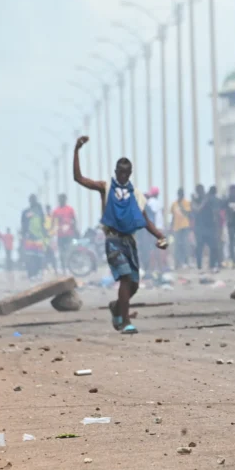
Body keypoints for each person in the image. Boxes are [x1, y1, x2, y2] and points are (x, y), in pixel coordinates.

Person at [72, 135, 167, 334]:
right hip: (113, 240)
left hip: (129, 242)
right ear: (116, 172)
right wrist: (76, 151)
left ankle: (117, 307)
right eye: (120, 172)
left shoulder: (136, 195)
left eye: (126, 173)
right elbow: (79, 179)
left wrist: (159, 235)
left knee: (133, 285)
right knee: (125, 278)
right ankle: (125, 322)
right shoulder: (105, 188)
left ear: (130, 173)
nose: (123, 175)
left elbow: (145, 220)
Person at [192, 185, 222, 272]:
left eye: (201, 190)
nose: (200, 192)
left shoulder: (209, 199)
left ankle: (212, 265)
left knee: (213, 247)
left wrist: (216, 226)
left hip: (209, 227)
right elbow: (196, 210)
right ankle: (199, 266)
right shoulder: (196, 200)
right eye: (198, 190)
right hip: (199, 228)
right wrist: (203, 202)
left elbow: (215, 211)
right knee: (199, 248)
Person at [20, 195, 47, 279]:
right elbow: (23, 224)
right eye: (31, 200)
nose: (33, 201)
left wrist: (45, 234)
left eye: (34, 200)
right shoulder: (26, 212)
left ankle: (38, 273)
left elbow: (43, 223)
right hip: (29, 238)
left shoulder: (40, 211)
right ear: (29, 201)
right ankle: (31, 274)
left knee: (39, 257)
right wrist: (24, 234)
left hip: (39, 238)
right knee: (30, 257)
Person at [52, 194, 77, 273]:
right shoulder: (56, 211)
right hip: (60, 235)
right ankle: (63, 268)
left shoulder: (70, 209)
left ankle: (70, 267)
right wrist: (55, 228)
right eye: (61, 199)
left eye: (63, 199)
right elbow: (53, 223)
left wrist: (75, 229)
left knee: (69, 251)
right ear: (59, 200)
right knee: (61, 252)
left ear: (65, 200)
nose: (62, 200)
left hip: (69, 234)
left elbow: (74, 220)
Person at [170, 188, 192, 269]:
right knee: (177, 245)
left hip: (185, 226)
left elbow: (187, 213)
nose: (180, 195)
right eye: (179, 194)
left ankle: (186, 261)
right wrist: (171, 227)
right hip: (176, 227)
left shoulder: (186, 203)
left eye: (181, 194)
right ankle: (178, 262)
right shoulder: (174, 204)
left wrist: (181, 206)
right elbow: (173, 216)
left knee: (185, 244)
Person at [43, 205, 58, 274]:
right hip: (45, 238)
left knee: (52, 254)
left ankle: (55, 269)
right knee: (46, 253)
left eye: (48, 209)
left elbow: (55, 227)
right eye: (47, 209)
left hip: (51, 237)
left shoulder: (53, 217)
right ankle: (46, 268)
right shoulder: (44, 218)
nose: (48, 210)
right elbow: (43, 227)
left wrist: (51, 232)